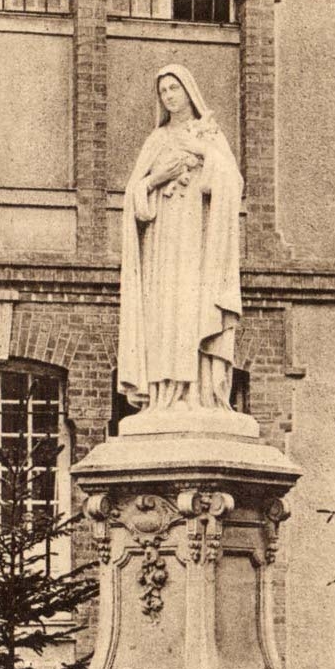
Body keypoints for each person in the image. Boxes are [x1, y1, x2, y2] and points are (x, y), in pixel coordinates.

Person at [118, 64, 244, 412]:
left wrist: (201, 152)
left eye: (174, 88)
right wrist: (159, 177)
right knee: (166, 313)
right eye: (163, 92)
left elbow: (233, 185)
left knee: (194, 309)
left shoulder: (210, 136)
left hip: (199, 245)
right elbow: (134, 197)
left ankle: (200, 394)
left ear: (189, 90)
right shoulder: (156, 139)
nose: (169, 96)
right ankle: (166, 395)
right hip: (162, 244)